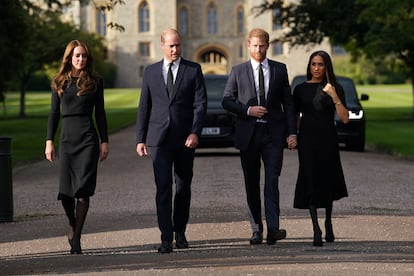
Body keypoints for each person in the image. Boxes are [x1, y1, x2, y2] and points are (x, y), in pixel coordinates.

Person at [222, 28, 297, 245]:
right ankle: (256, 228)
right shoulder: (238, 71)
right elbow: (227, 100)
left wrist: (292, 132)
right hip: (249, 135)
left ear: (268, 45)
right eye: (254, 45)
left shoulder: (280, 69)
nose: (258, 49)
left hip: (273, 135)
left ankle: (273, 228)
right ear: (248, 45)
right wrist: (248, 110)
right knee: (251, 183)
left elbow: (288, 104)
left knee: (272, 181)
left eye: (262, 45)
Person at [136, 28, 207, 254]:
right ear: (162, 45)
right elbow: (144, 107)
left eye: (178, 45)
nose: (175, 49)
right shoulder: (150, 71)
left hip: (186, 139)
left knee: (183, 188)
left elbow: (200, 104)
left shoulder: (193, 70)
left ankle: (180, 232)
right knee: (163, 188)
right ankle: (166, 237)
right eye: (171, 45)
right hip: (159, 139)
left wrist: (195, 132)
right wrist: (140, 138)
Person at [45, 40, 109, 254]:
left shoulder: (95, 81)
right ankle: (72, 222)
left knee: (83, 191)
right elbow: (54, 114)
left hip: (88, 139)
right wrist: (49, 141)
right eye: (77, 56)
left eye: (84, 56)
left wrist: (104, 141)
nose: (81, 59)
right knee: (65, 193)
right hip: (66, 139)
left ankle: (77, 237)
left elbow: (100, 113)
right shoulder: (59, 81)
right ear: (69, 58)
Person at [292, 50, 349, 246]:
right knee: (310, 179)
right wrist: (292, 135)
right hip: (307, 140)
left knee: (327, 179)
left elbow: (345, 118)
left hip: (328, 140)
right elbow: (295, 116)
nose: (316, 68)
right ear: (310, 66)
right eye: (313, 64)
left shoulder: (335, 88)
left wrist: (333, 95)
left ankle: (328, 222)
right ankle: (315, 228)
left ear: (327, 67)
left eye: (320, 64)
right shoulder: (300, 89)